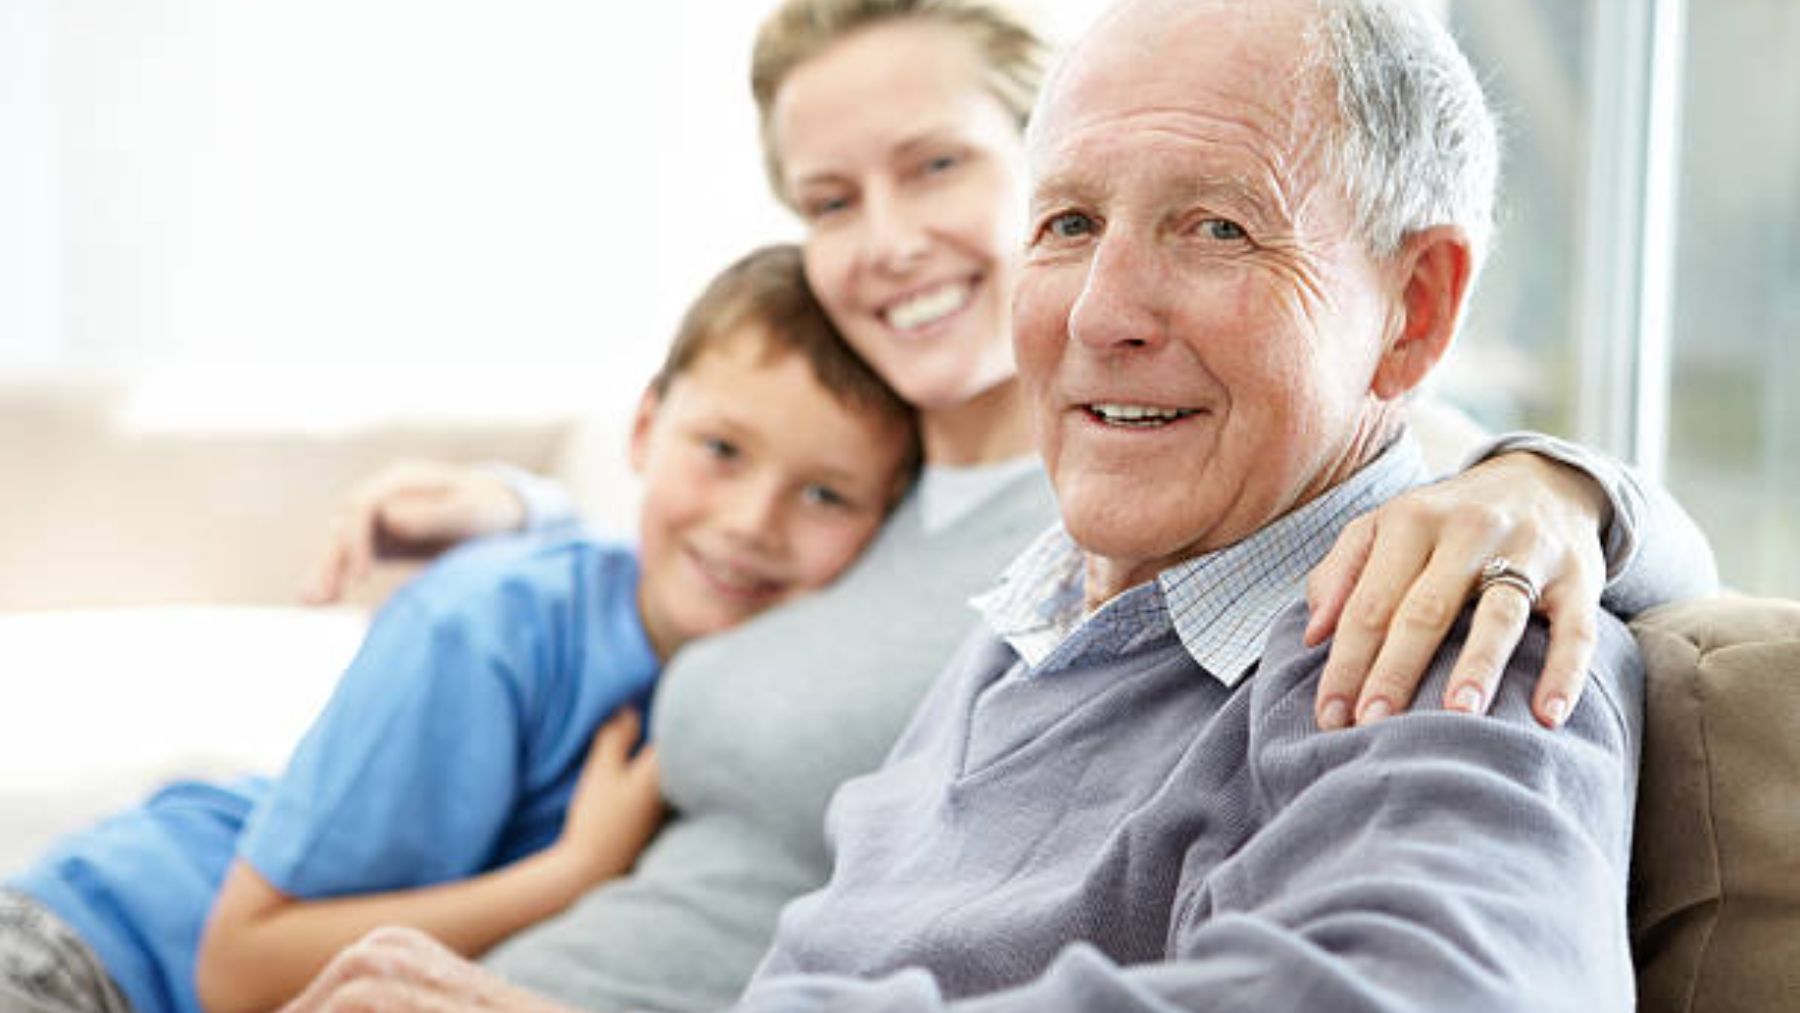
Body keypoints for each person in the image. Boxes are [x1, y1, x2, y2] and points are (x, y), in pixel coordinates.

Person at [281, 0, 1716, 1010]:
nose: (1102, 312)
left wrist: (1568, 489)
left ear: (1414, 310)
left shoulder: (1434, 628)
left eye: (1214, 227)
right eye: (1072, 222)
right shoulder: (1047, 580)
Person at [0, 244, 920, 1013]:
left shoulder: (774, 672)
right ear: (645, 429)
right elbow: (238, 966)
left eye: (824, 494)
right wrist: (576, 869)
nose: (753, 521)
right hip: (91, 948)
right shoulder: (480, 627)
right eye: (721, 450)